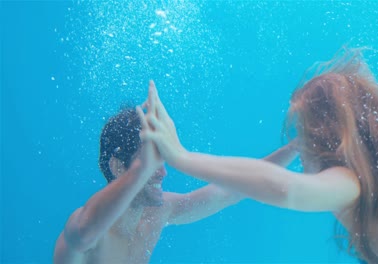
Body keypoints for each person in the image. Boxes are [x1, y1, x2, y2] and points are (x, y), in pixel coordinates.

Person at [141, 48, 378, 263]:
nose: (302, 150)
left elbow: (285, 188)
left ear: (326, 139)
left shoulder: (350, 184)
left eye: (304, 134)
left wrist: (182, 156)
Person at [53, 81, 298, 264]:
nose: (162, 173)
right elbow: (83, 234)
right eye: (149, 160)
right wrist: (141, 170)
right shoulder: (88, 231)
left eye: (161, 159)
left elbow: (230, 190)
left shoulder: (156, 214)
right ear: (119, 167)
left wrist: (297, 146)